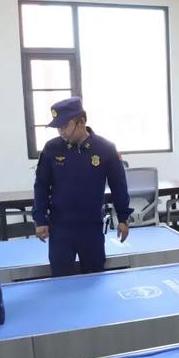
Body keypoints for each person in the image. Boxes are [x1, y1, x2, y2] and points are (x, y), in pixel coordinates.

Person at [33, 97, 132, 277]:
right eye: (58, 127)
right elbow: (41, 185)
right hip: (60, 228)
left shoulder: (105, 149)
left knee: (94, 279)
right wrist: (40, 220)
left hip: (91, 227)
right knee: (61, 280)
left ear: (82, 121)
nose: (61, 131)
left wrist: (123, 218)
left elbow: (118, 186)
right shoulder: (52, 148)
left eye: (65, 126)